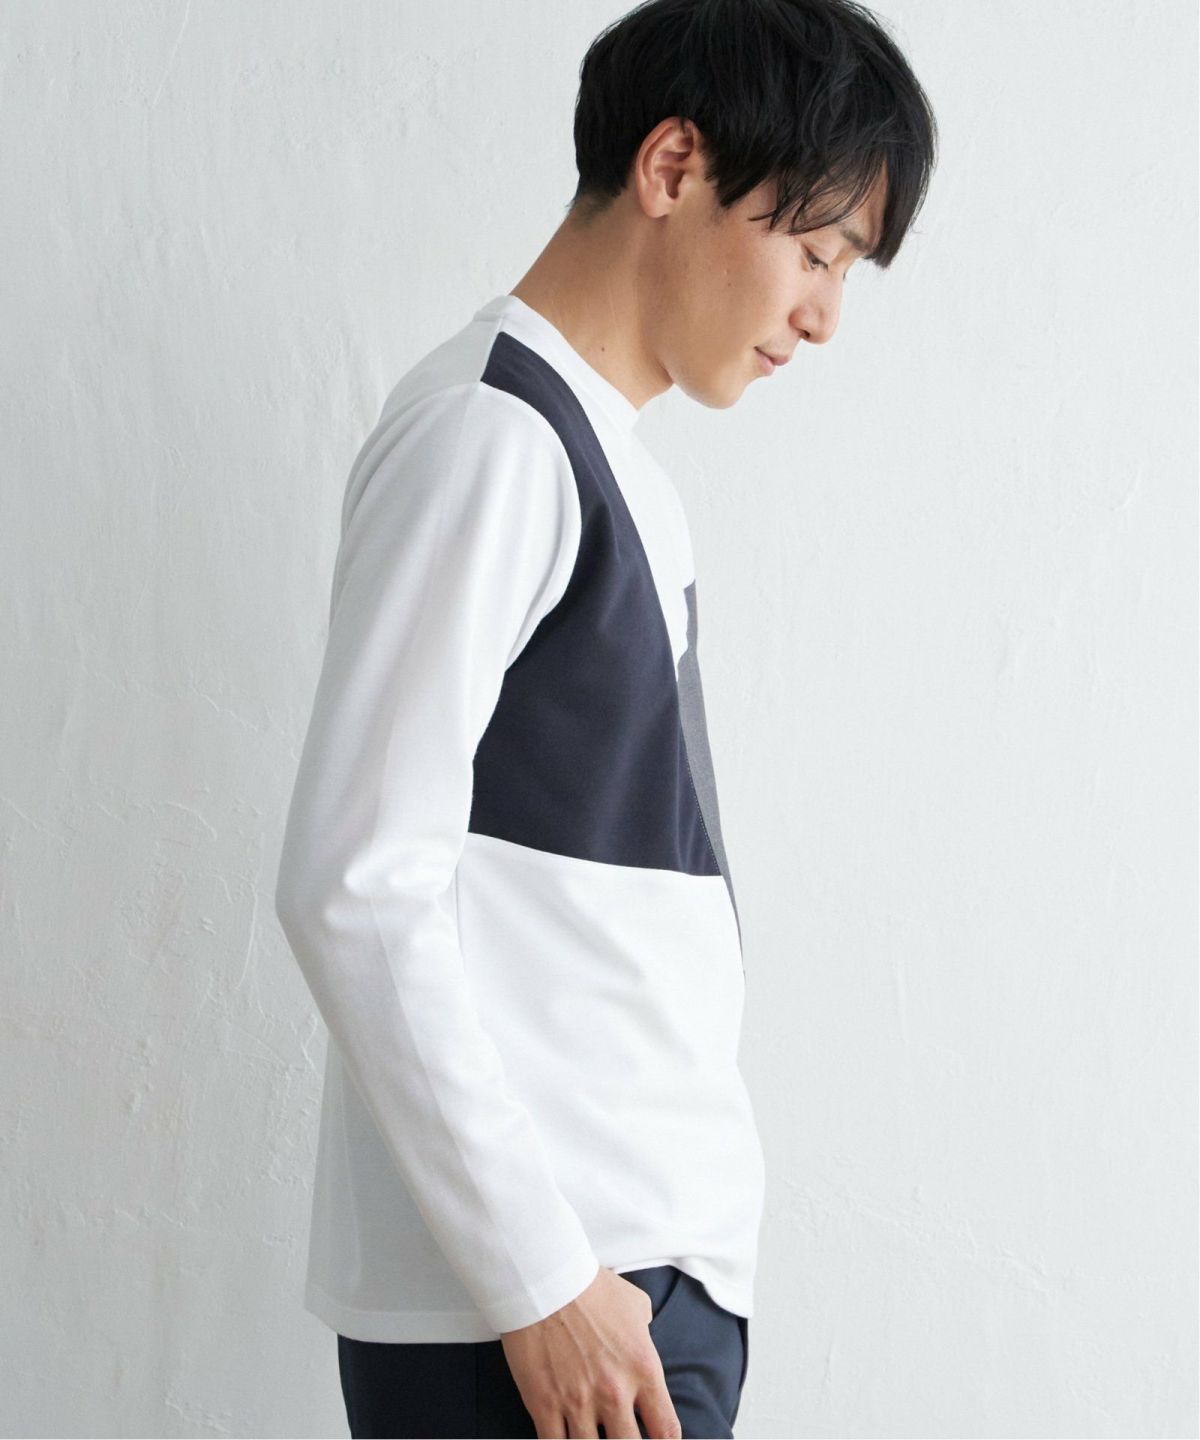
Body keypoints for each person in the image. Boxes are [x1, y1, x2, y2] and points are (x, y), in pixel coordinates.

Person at [273, 0, 937, 1434]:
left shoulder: (604, 459)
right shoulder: (494, 439)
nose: (824, 316)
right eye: (818, 252)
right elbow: (353, 883)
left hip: (616, 1280)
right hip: (544, 1306)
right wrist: (542, 1282)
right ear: (674, 167)